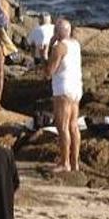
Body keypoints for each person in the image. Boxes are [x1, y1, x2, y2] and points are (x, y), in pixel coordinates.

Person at [44, 18, 82, 172]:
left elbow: (48, 72)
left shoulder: (59, 48)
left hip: (63, 89)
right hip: (76, 88)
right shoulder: (75, 44)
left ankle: (64, 162)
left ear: (57, 32)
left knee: (63, 127)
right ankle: (75, 163)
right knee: (74, 126)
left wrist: (44, 53)